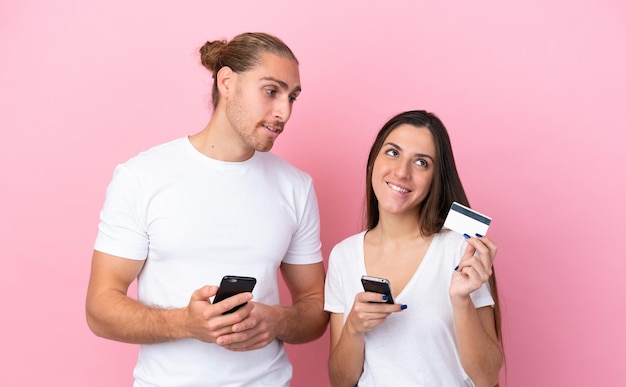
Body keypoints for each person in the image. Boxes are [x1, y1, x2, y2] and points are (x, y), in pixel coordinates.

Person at [86, 32, 329, 387]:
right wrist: (185, 322)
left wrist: (276, 321)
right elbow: (99, 308)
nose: (284, 112)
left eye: (292, 97)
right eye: (271, 91)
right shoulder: (142, 177)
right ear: (227, 81)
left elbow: (315, 304)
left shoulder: (296, 187)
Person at [324, 110, 503, 386]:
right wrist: (353, 329)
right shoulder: (343, 256)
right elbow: (340, 381)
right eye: (393, 153)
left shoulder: (460, 250)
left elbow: (488, 376)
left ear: (435, 180)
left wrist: (461, 300)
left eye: (421, 162)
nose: (402, 172)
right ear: (373, 162)